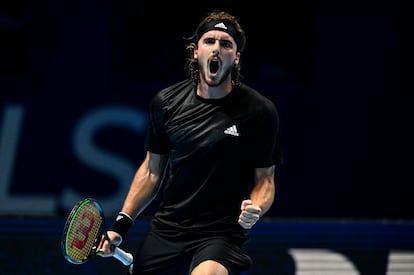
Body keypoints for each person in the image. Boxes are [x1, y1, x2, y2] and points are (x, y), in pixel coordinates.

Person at [98, 9, 283, 275]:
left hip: (221, 234)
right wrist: (121, 226)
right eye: (209, 41)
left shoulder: (259, 111)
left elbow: (265, 180)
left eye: (226, 44)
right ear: (196, 52)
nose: (216, 49)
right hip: (168, 231)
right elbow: (152, 171)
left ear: (236, 58)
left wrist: (257, 207)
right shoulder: (166, 103)